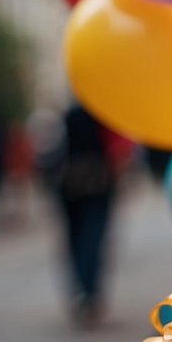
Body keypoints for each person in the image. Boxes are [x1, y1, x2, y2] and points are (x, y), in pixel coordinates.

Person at [40, 104, 121, 327]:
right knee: (93, 241)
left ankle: (83, 293)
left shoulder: (67, 115)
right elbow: (117, 152)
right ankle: (90, 294)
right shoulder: (104, 115)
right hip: (97, 185)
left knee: (76, 242)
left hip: (70, 187)